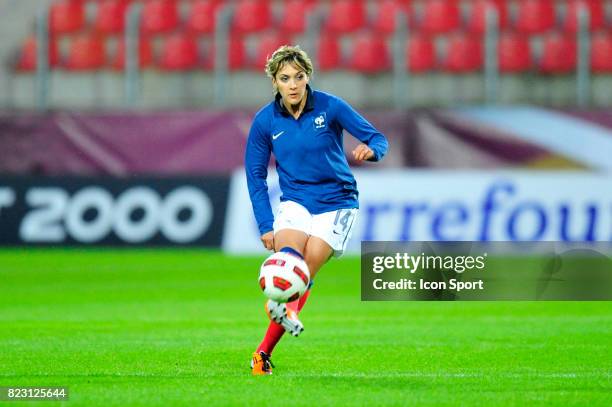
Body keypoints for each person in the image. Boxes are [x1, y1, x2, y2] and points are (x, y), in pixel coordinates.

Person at [245, 45, 388, 375]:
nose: (293, 85)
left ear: (308, 77)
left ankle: (263, 350)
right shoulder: (265, 121)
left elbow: (378, 137)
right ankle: (286, 315)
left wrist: (372, 150)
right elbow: (255, 175)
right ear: (274, 82)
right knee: (290, 261)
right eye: (285, 79)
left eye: (299, 77)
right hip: (295, 200)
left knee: (306, 267)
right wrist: (266, 224)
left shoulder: (330, 106)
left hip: (337, 200)